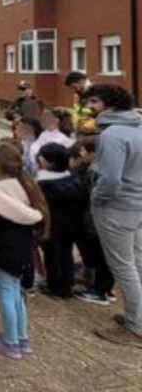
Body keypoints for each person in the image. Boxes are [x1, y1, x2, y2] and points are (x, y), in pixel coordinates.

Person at [0, 141, 48, 359]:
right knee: (16, 294)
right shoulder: (25, 185)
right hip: (22, 248)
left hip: (1, 252)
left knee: (6, 293)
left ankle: (11, 342)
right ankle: (22, 338)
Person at [83, 84, 142, 346]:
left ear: (109, 104)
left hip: (117, 208)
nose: (89, 107)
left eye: (94, 102)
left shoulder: (113, 135)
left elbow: (110, 180)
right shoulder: (138, 126)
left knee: (123, 266)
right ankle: (137, 316)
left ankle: (136, 327)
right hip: (137, 205)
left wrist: (97, 198)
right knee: (138, 262)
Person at [69, 139, 115, 306]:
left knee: (99, 255)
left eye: (84, 151)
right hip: (110, 218)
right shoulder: (112, 168)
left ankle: (99, 291)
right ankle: (106, 290)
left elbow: (86, 196)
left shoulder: (94, 171)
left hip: (94, 218)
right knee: (106, 255)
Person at [34, 143, 83, 299]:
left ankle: (54, 286)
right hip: (71, 225)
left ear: (49, 161)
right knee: (66, 254)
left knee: (51, 256)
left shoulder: (43, 183)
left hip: (52, 227)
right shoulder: (73, 179)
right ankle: (67, 286)